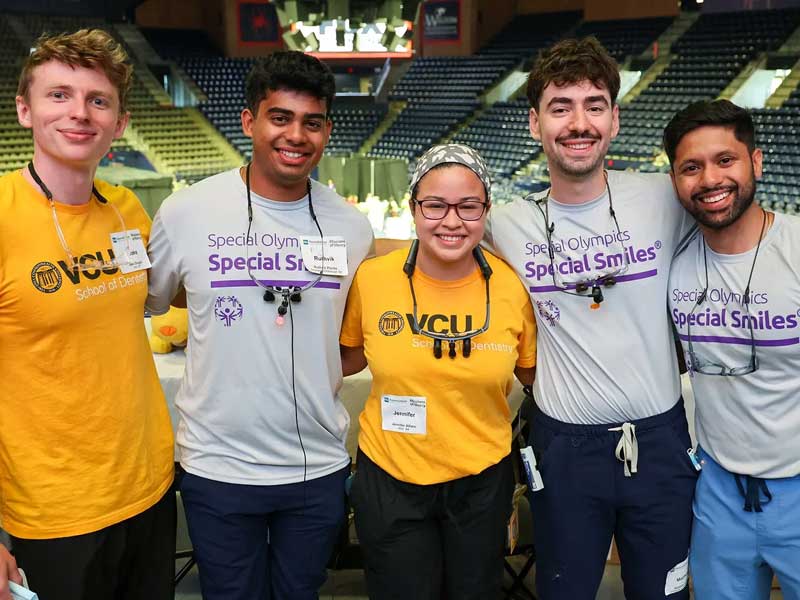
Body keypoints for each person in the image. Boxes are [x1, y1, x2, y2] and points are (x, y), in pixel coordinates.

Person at [146, 51, 373, 600]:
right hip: (216, 467)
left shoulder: (351, 226)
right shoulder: (185, 213)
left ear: (326, 131)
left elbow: (350, 339)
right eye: (280, 117)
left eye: (312, 122)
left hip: (316, 467)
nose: (296, 135)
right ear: (249, 121)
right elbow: (157, 297)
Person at [484, 37, 697, 599]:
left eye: (594, 105)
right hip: (565, 451)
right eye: (561, 107)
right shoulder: (505, 223)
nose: (579, 123)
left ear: (615, 118)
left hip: (660, 445)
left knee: (664, 593)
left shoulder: (666, 199)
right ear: (535, 124)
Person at [0, 29, 175, 600]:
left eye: (98, 100)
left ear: (119, 123)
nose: (79, 113)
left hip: (148, 488)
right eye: (59, 95)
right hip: (51, 513)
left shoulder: (127, 211)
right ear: (25, 110)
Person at [340, 144, 536, 600]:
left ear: (486, 210)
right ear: (413, 208)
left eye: (468, 206)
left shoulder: (512, 286)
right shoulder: (372, 280)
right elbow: (346, 357)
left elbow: (532, 374)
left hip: (481, 480)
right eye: (435, 205)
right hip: (390, 476)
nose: (451, 221)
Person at [664, 99, 800, 599]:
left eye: (726, 160)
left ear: (756, 162)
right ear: (675, 179)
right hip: (719, 495)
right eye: (691, 167)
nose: (709, 180)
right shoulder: (673, 262)